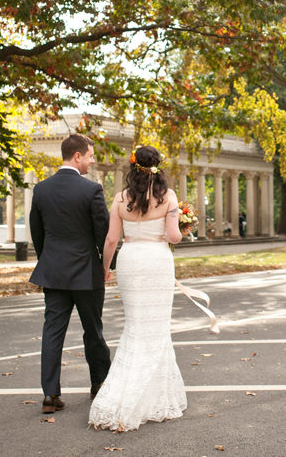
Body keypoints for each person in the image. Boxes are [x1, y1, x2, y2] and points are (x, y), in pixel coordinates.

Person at [89, 145, 191, 432]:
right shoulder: (167, 197)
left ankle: (121, 392)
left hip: (131, 261)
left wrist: (105, 269)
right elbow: (173, 236)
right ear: (159, 167)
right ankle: (155, 395)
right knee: (157, 328)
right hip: (157, 261)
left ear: (132, 168)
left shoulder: (121, 198)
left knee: (134, 326)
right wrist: (182, 228)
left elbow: (111, 240)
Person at [28, 133, 112, 415]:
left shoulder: (41, 190)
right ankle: (99, 383)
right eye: (90, 155)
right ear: (77, 156)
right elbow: (103, 232)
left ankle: (50, 394)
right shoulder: (91, 190)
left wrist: (48, 261)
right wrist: (106, 265)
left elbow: (37, 234)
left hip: (53, 273)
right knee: (93, 331)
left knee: (52, 332)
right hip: (87, 273)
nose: (91, 161)